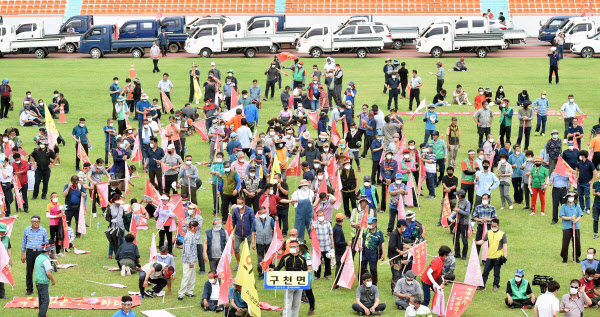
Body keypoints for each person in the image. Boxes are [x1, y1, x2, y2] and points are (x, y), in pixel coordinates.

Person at [268, 239, 308, 317]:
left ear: (298, 248)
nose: (292, 248)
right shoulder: (285, 258)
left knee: (296, 304)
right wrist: (272, 269)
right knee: (288, 303)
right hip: (288, 284)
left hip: (299, 284)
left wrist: (308, 273)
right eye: (290, 247)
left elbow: (305, 271)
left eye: (294, 247)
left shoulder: (302, 259)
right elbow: (278, 268)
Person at [476, 218, 508, 292]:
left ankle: (495, 285)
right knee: (485, 272)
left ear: (498, 225)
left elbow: (505, 244)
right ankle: (482, 285)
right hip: (489, 256)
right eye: (492, 226)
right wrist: (476, 242)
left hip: (498, 257)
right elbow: (483, 240)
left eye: (494, 226)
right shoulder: (488, 232)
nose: (493, 227)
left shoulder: (502, 234)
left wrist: (505, 255)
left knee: (496, 273)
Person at [359, 217, 385, 286]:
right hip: (364, 252)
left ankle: (374, 284)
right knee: (362, 268)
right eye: (368, 223)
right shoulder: (364, 231)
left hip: (373, 253)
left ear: (375, 224)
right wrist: (359, 246)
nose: (369, 225)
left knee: (373, 269)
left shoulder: (379, 233)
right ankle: (361, 283)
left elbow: (382, 243)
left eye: (370, 223)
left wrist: (383, 254)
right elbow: (359, 238)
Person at [251, 207, 275, 280]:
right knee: (260, 259)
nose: (262, 214)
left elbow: (275, 229)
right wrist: (253, 242)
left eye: (264, 213)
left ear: (266, 212)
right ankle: (261, 274)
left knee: (271, 258)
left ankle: (272, 272)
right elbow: (253, 231)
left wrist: (274, 241)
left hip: (269, 242)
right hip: (259, 242)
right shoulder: (255, 221)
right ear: (258, 213)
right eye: (261, 213)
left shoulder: (270, 219)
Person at [560, 191, 583, 263]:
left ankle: (576, 257)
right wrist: (570, 218)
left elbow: (580, 215)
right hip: (567, 227)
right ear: (567, 197)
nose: (571, 198)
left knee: (577, 243)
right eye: (570, 196)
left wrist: (576, 220)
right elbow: (562, 216)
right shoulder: (563, 206)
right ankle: (564, 258)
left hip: (575, 227)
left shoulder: (577, 206)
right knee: (565, 243)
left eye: (572, 197)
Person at [178, 220, 199, 301]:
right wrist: (191, 261)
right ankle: (181, 294)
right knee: (186, 277)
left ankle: (189, 292)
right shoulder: (189, 236)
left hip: (193, 259)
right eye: (197, 227)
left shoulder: (192, 235)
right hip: (189, 261)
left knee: (192, 277)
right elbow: (187, 250)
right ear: (193, 228)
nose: (198, 228)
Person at [34, 242, 55, 317]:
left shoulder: (38, 257)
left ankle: (43, 314)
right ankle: (42, 315)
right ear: (48, 251)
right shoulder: (45, 259)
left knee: (41, 300)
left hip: (37, 281)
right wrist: (53, 280)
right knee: (46, 300)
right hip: (43, 282)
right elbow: (48, 272)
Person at [312, 210, 334, 280]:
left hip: (327, 245)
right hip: (318, 247)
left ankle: (327, 274)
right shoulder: (314, 224)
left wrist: (332, 242)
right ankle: (317, 275)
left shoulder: (328, 223)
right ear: (317, 216)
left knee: (327, 260)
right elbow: (312, 233)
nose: (321, 217)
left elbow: (331, 233)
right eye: (319, 215)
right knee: (318, 260)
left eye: (322, 215)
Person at [453, 189, 471, 259]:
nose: (457, 196)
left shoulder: (467, 203)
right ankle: (457, 253)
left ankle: (464, 255)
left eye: (457, 194)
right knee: (455, 237)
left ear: (460, 195)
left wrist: (458, 210)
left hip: (464, 223)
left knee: (464, 239)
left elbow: (467, 213)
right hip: (458, 222)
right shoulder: (460, 201)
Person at [576, 150, 596, 215]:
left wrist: (592, 180)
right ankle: (582, 208)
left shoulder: (590, 163)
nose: (580, 157)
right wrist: (576, 177)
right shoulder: (580, 163)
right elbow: (577, 169)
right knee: (580, 196)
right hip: (579, 183)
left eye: (580, 155)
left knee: (587, 196)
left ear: (583, 156)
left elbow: (595, 172)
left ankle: (588, 209)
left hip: (586, 183)